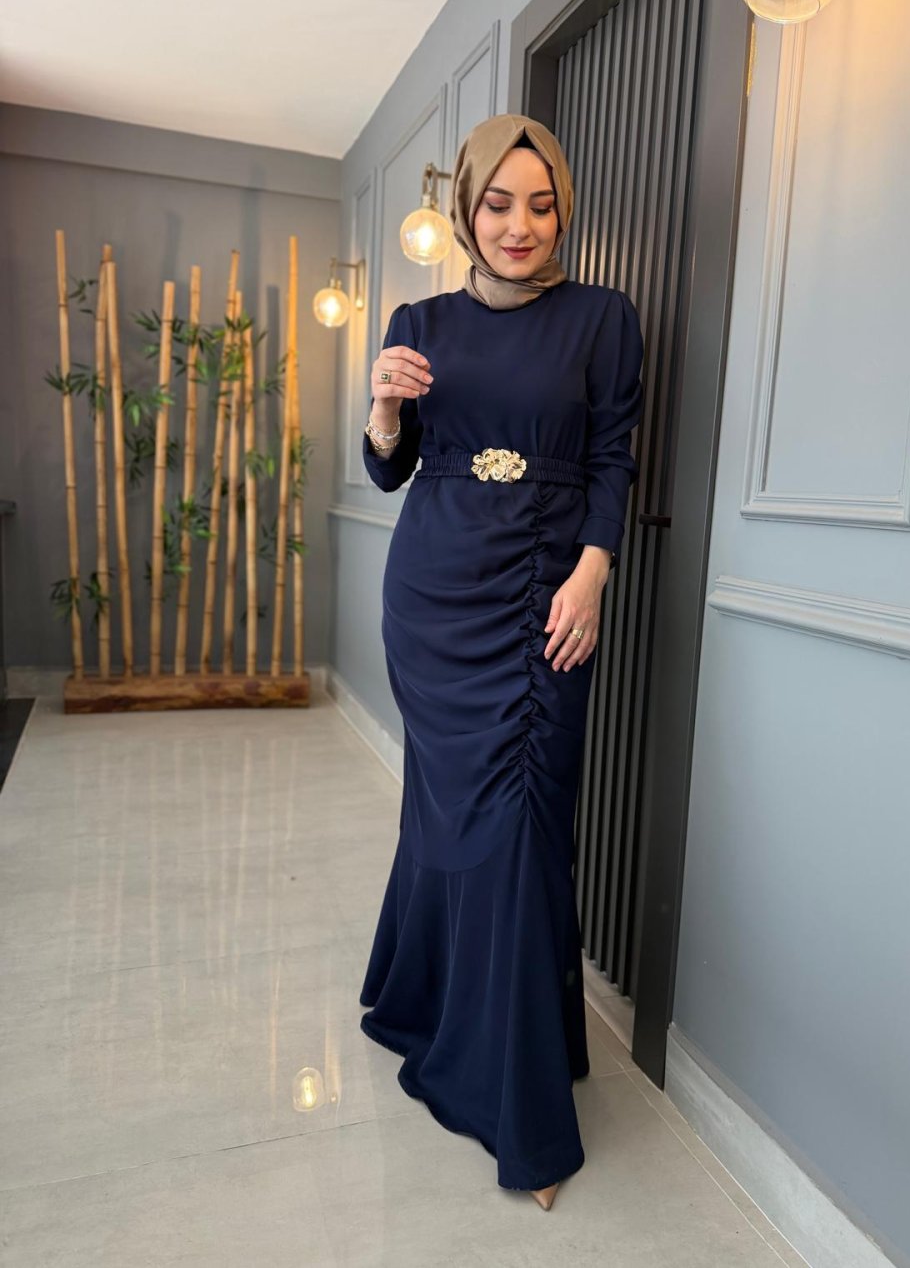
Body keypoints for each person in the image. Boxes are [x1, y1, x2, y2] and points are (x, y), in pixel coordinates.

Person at [357, 112, 644, 1212]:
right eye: (497, 203)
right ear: (465, 208)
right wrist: (384, 407)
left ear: (563, 210)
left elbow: (614, 455)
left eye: (541, 203)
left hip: (544, 598)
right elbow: (389, 470)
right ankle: (435, 1013)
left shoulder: (603, 319)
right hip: (433, 599)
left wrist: (593, 570)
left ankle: (518, 1090)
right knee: (446, 820)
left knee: (523, 830)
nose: (520, 225)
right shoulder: (419, 320)